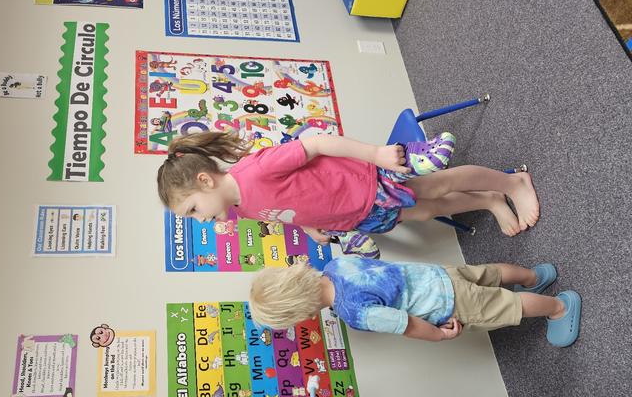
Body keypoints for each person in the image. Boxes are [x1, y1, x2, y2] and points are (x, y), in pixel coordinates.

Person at [155, 131, 539, 240]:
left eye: (193, 211)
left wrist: (375, 154)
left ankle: (512, 182)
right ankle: (490, 200)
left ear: (205, 180)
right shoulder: (240, 208)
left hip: (364, 183)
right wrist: (308, 227)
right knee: (429, 210)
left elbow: (317, 142)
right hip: (358, 214)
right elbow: (285, 211)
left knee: (437, 186)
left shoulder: (254, 170)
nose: (200, 220)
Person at [248, 257, 582, 347]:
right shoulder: (336, 266)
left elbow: (405, 324)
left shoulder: (355, 313)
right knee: (489, 274)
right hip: (437, 274)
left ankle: (558, 308)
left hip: (446, 302)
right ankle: (533, 276)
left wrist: (440, 335)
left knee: (507, 305)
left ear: (300, 311)